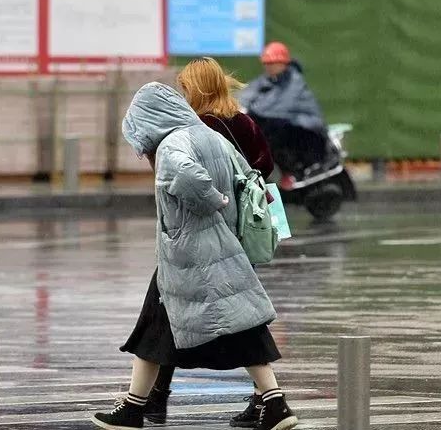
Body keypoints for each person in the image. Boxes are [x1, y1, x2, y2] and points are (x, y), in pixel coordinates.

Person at [90, 82, 298, 430]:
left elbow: (190, 180)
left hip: (188, 256)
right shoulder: (211, 137)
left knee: (159, 326)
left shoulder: (172, 145)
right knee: (236, 327)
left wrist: (213, 201)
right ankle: (274, 403)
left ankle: (134, 408)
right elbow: (248, 176)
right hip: (223, 249)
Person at [140, 57, 277, 428]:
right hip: (243, 228)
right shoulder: (244, 119)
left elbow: (190, 180)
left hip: (202, 238)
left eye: (186, 88)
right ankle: (153, 398)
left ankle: (154, 399)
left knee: (224, 317)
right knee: (171, 314)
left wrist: (220, 192)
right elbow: (265, 163)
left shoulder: (197, 127)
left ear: (195, 89)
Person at [238, 42, 329, 179]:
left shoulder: (294, 81)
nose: (269, 66)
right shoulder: (270, 79)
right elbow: (249, 92)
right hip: (287, 125)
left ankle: (288, 172)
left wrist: (249, 109)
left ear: (284, 63)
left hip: (307, 131)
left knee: (270, 133)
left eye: (273, 63)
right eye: (266, 63)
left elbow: (277, 106)